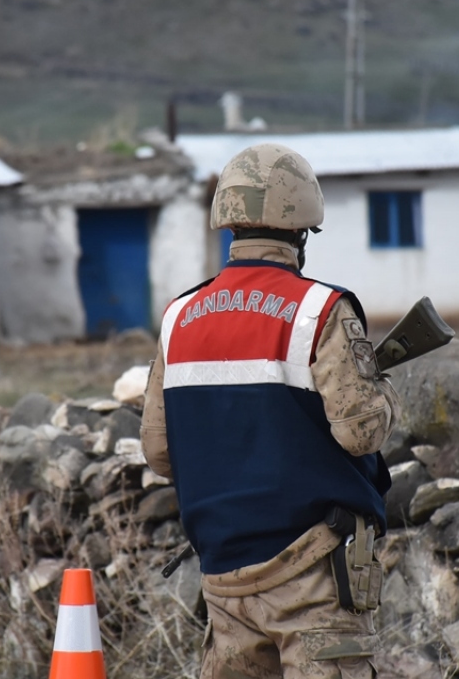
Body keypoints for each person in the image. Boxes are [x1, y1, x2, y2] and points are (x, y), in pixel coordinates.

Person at [141, 144, 400, 679]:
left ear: (229, 224)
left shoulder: (178, 317)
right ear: (301, 229)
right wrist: (381, 388)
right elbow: (362, 433)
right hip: (313, 572)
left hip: (222, 575)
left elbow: (160, 453)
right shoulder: (321, 310)